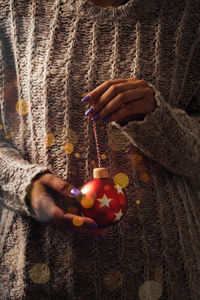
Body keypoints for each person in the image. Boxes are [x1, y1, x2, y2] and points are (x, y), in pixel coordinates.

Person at [0, 0, 200, 299]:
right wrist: (22, 185)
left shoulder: (191, 16)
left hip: (164, 273)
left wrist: (158, 118)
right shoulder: (13, 10)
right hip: (37, 270)